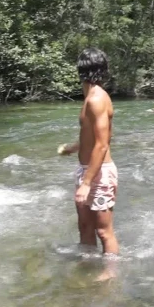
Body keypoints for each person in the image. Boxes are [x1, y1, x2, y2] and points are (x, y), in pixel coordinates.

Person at [57, 48, 119, 280]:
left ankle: (110, 272)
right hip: (87, 170)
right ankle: (87, 263)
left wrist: (86, 183)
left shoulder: (96, 99)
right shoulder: (90, 97)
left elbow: (102, 145)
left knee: (103, 230)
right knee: (84, 226)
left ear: (80, 70)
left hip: (99, 173)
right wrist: (74, 147)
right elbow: (92, 137)